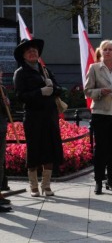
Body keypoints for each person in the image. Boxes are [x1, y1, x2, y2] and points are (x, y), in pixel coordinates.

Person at [13, 39, 64, 197]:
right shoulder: (20, 73)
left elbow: (60, 89)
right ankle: (34, 185)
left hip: (49, 116)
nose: (33, 52)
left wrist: (53, 88)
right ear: (24, 55)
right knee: (34, 150)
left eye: (34, 50)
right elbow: (20, 96)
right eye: (29, 51)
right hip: (33, 117)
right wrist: (40, 92)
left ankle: (46, 185)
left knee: (49, 149)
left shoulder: (45, 70)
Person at [84, 40, 112, 194]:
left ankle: (111, 180)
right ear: (101, 52)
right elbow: (87, 90)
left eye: (111, 49)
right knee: (101, 148)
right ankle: (98, 181)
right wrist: (100, 92)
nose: (108, 52)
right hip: (100, 112)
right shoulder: (95, 68)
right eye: (105, 49)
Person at [0, 68, 12, 212]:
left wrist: (6, 102)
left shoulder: (2, 89)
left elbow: (7, 110)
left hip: (1, 129)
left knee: (0, 163)